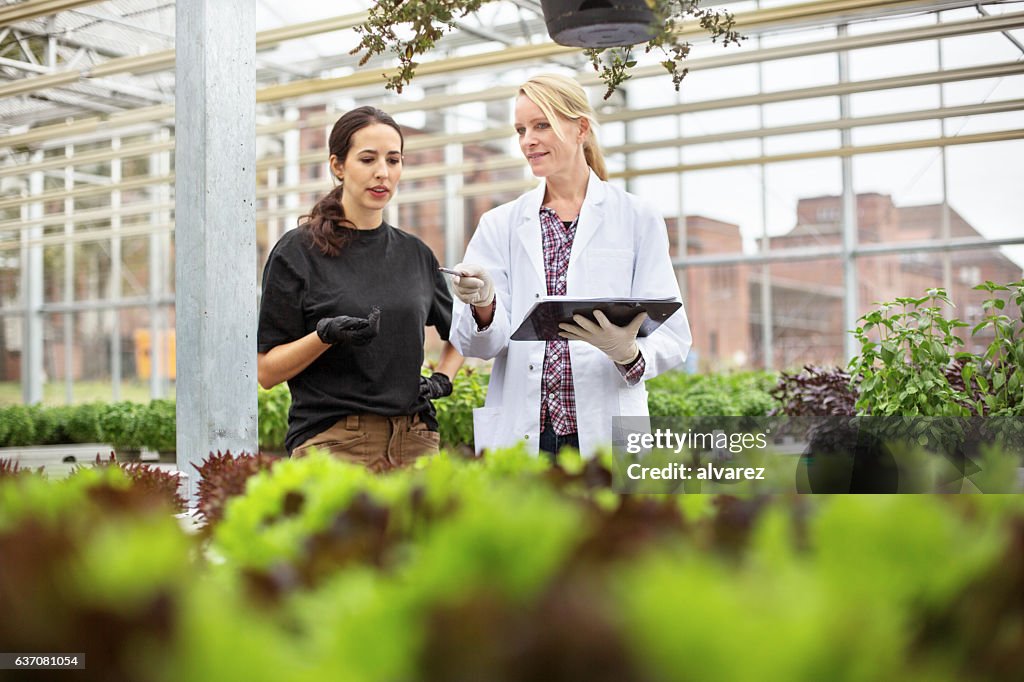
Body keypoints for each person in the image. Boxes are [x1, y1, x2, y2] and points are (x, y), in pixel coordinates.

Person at [449, 74, 692, 459]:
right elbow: (479, 345)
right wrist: (484, 304)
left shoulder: (636, 217)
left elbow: (674, 335)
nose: (528, 139)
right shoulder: (500, 224)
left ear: (581, 129)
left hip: (606, 427)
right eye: (521, 129)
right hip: (526, 433)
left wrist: (628, 352)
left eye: (541, 124)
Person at [257, 106, 462, 471]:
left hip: (415, 442)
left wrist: (443, 380)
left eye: (393, 160)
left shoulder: (416, 254)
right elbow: (267, 371)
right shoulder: (298, 253)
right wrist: (324, 336)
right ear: (338, 165)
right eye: (367, 159)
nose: (382, 172)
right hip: (335, 446)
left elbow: (461, 333)